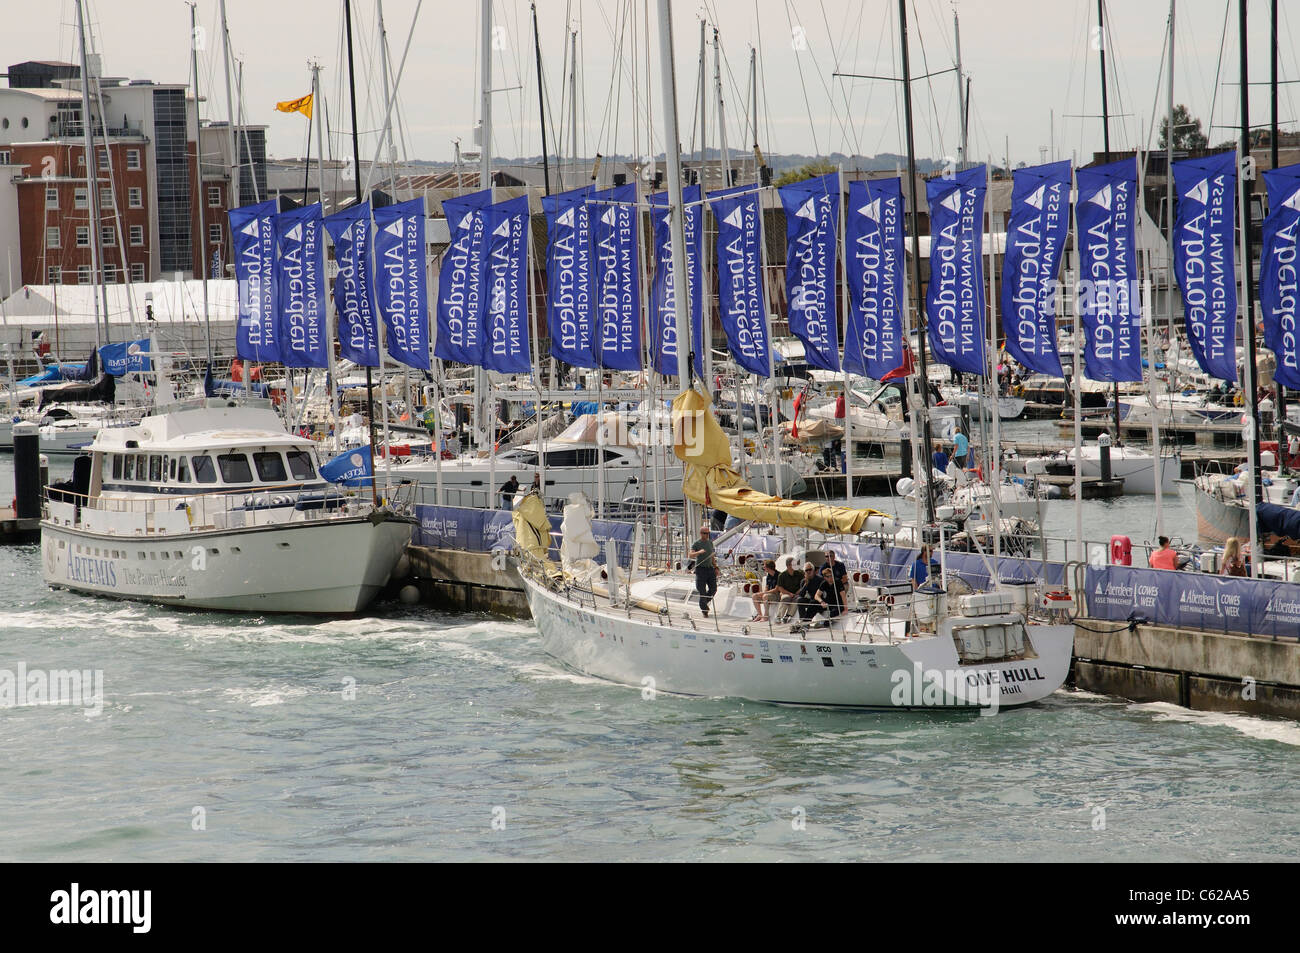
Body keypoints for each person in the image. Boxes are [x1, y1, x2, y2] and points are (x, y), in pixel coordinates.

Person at [689, 525, 718, 616]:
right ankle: (705, 610)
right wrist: (699, 552)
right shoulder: (696, 543)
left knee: (713, 589)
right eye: (705, 533)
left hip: (710, 569)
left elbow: (712, 556)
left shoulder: (710, 543)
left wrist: (716, 567)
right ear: (701, 534)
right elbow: (690, 555)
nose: (707, 535)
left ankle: (704, 602)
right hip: (701, 569)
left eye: (708, 533)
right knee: (702, 590)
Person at [773, 557, 803, 622]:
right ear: (788, 565)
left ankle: (788, 616)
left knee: (797, 599)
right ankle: (779, 616)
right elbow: (780, 588)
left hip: (797, 593)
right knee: (785, 598)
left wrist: (798, 591)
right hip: (786, 593)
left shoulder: (799, 574)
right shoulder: (782, 575)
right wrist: (789, 593)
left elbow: (803, 584)